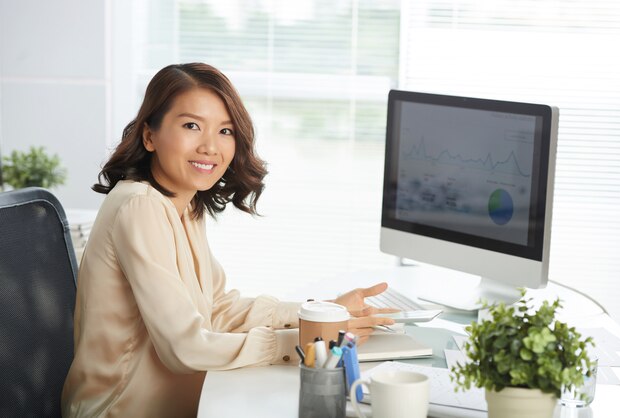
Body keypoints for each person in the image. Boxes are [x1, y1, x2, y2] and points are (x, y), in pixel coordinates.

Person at [61, 63, 396, 418]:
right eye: (191, 125)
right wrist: (302, 342)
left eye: (225, 130)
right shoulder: (140, 207)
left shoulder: (183, 205)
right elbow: (184, 347)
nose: (210, 146)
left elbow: (216, 308)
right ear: (149, 136)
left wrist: (317, 313)